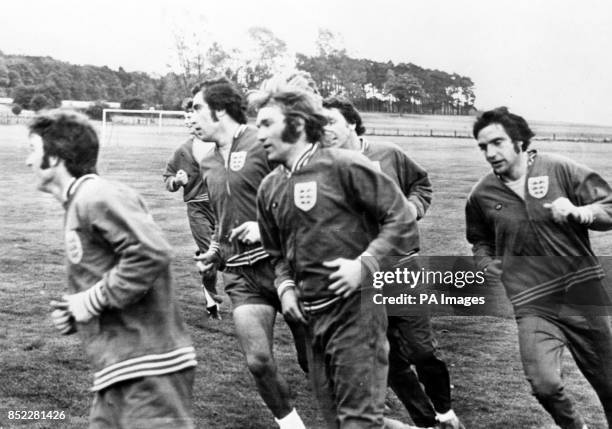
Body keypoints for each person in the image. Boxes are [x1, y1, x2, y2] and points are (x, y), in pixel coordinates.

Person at [255, 89, 420, 429]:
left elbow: (400, 217)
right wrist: (285, 286)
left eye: (267, 123)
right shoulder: (269, 187)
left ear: (298, 123)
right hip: (311, 322)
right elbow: (276, 252)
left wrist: (365, 264)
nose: (259, 134)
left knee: (358, 423)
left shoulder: (345, 166)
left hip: (356, 313)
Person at [26, 110, 197, 428]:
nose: (28, 161)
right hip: (116, 371)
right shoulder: (79, 202)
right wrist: (76, 311)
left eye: (33, 150)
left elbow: (150, 252)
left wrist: (89, 301)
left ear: (57, 157)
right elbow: (112, 272)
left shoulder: (96, 195)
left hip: (148, 369)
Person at [466, 107, 612, 428]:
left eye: (497, 143)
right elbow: (479, 239)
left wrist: (580, 212)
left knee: (610, 384)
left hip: (583, 295)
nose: (490, 153)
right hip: (532, 302)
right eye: (483, 147)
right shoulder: (482, 194)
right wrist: (486, 261)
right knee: (544, 384)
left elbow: (608, 207)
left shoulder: (558, 168)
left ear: (518, 140)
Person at [322, 96, 463, 429]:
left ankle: (445, 411)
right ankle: (428, 422)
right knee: (390, 359)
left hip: (402, 268)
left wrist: (413, 209)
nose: (324, 129)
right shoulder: (324, 166)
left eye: (330, 121)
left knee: (422, 351)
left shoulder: (388, 153)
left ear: (352, 123)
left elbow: (420, 183)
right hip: (361, 278)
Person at [190, 78, 308, 429]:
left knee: (312, 360)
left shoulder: (262, 143)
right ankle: (292, 425)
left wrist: (265, 229)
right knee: (258, 360)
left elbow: (300, 197)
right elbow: (221, 217)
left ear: (221, 110)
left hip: (284, 265)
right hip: (241, 274)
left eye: (196, 108)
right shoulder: (208, 161)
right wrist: (214, 250)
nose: (190, 117)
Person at [163, 97, 221, 319]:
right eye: (188, 119)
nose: (192, 123)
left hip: (221, 206)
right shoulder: (183, 150)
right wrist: (177, 181)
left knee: (225, 256)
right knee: (210, 256)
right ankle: (212, 301)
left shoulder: (219, 146)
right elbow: (167, 178)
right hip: (197, 208)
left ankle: (206, 264)